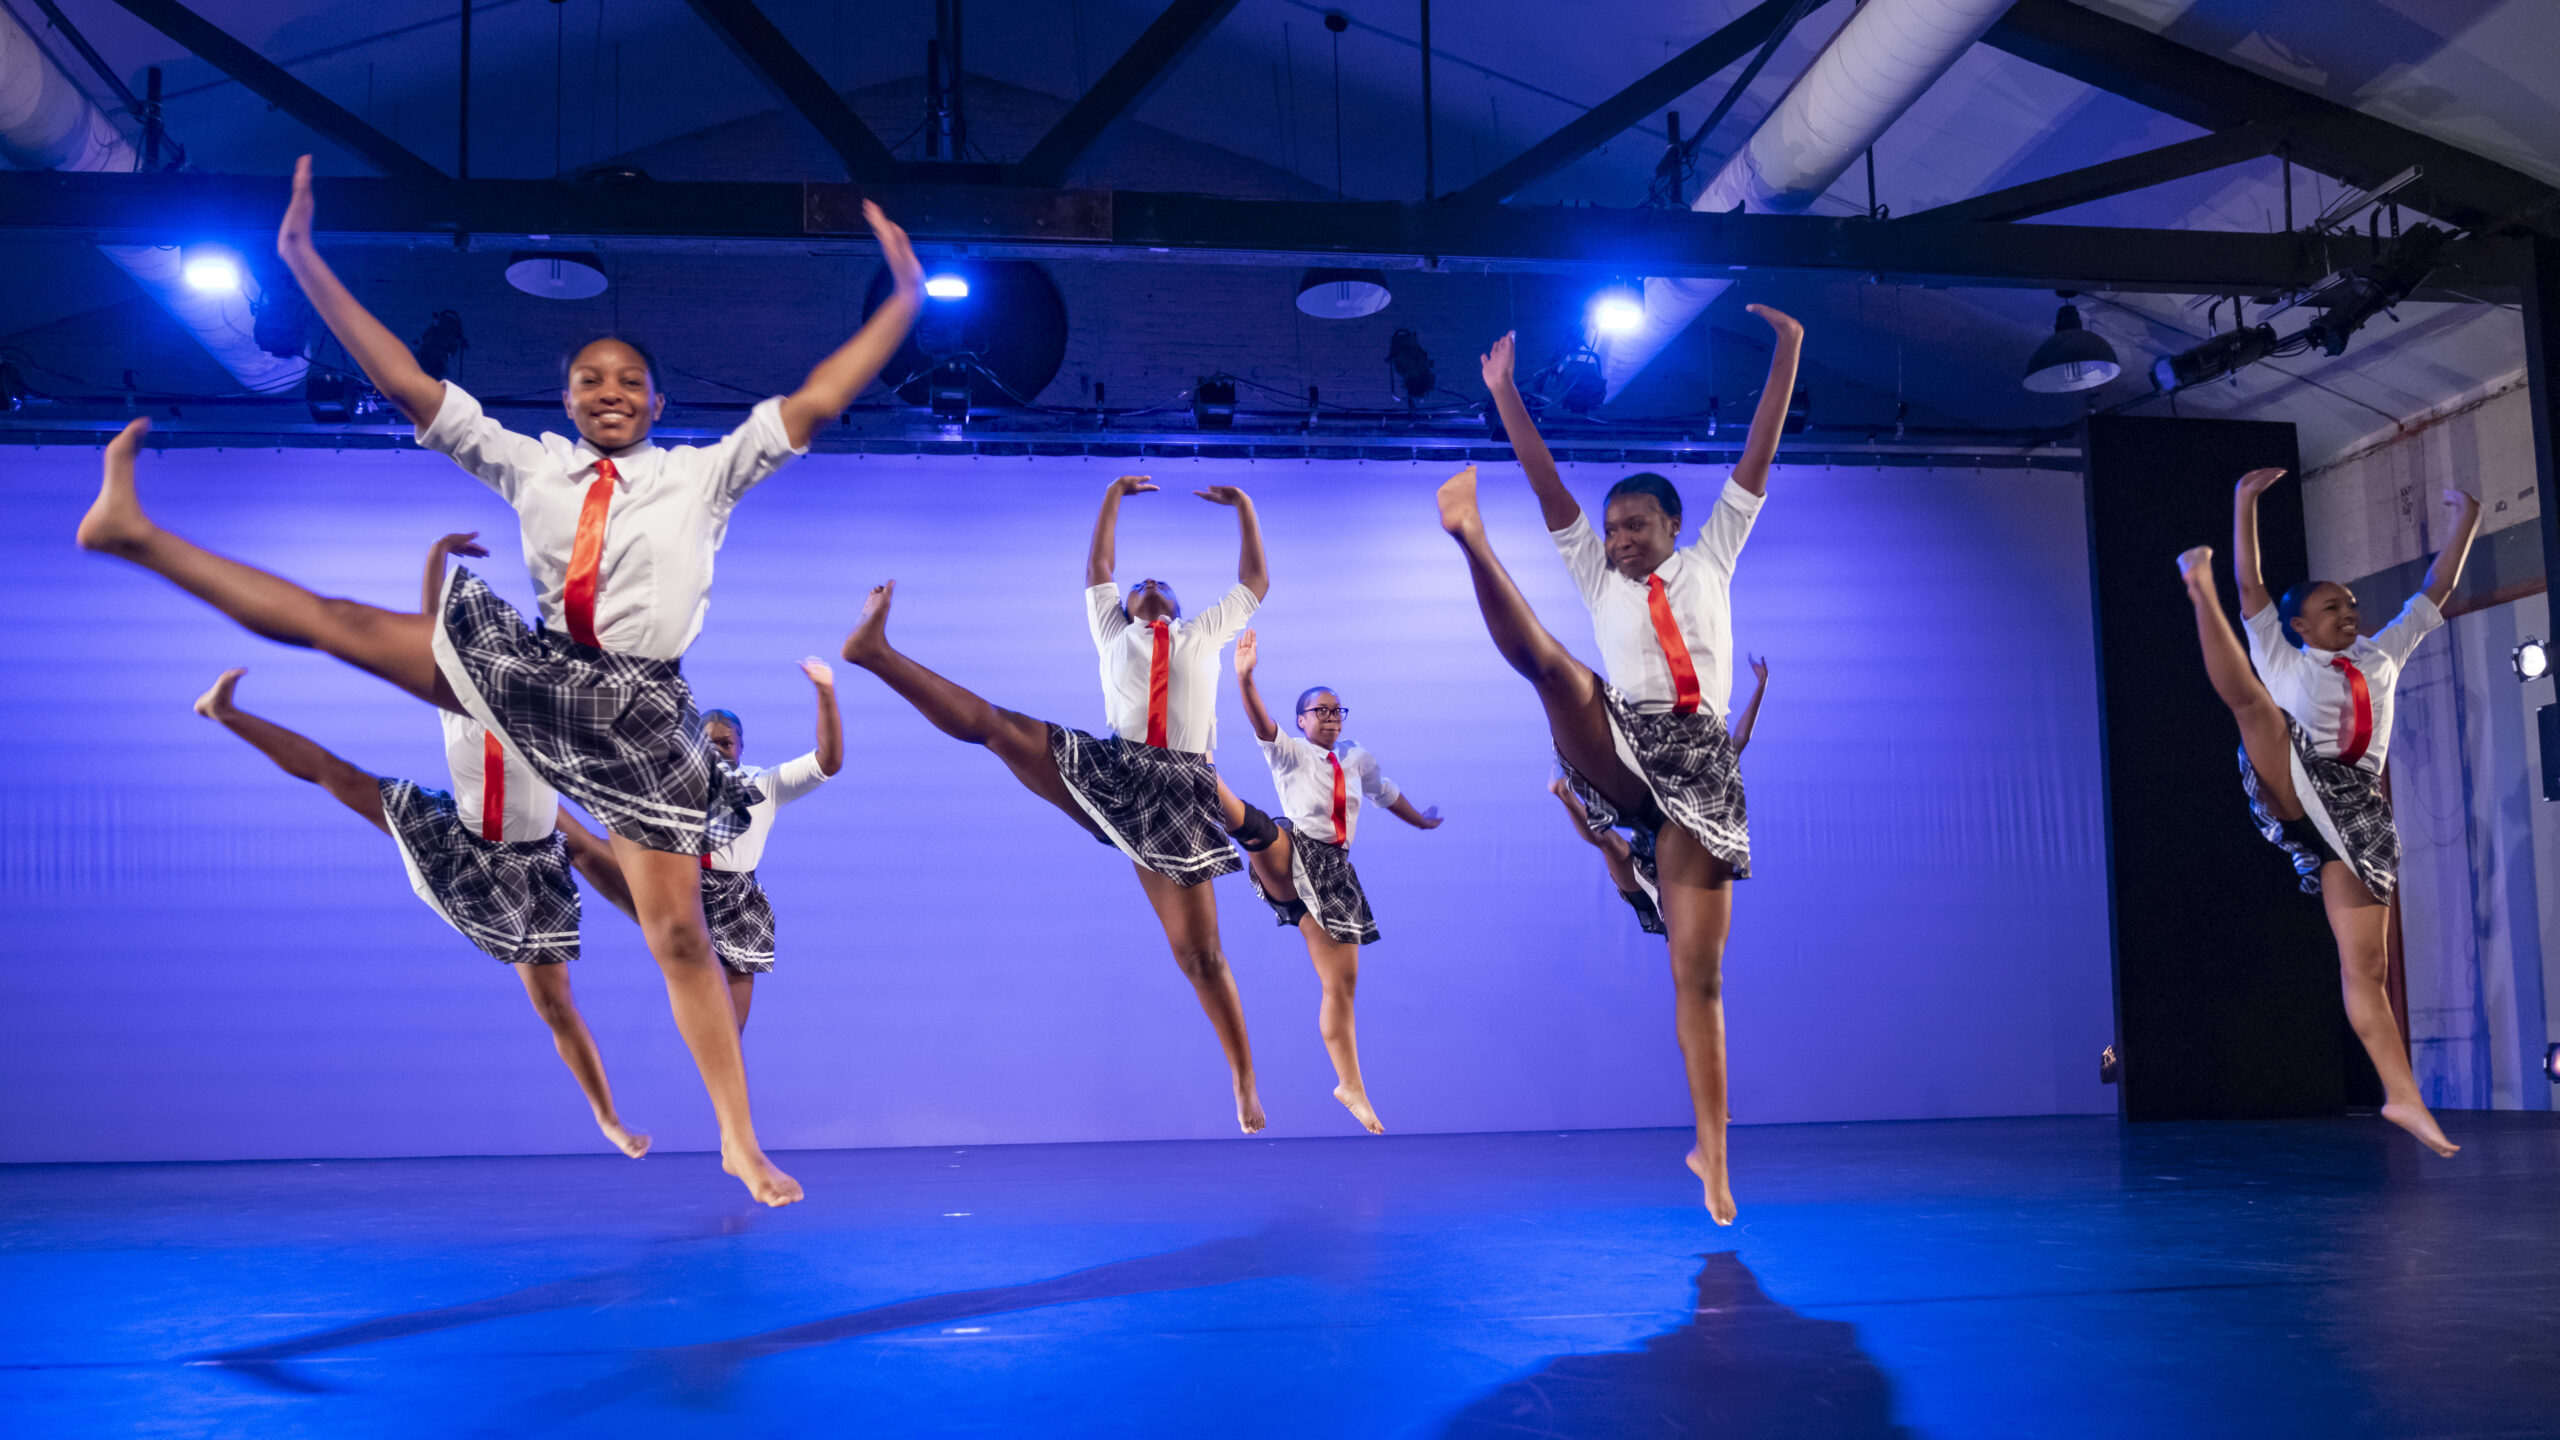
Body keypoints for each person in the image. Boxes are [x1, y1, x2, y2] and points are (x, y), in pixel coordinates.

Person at [73, 156, 923, 1206]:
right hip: (542, 676)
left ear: (658, 400)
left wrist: (904, 299)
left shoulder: (705, 473)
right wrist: (302, 259)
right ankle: (135, 534)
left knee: (676, 934)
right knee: (343, 624)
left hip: (644, 717)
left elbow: (819, 400)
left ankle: (739, 1140)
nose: (609, 392)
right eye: (590, 380)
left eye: (629, 381)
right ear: (566, 398)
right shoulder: (533, 464)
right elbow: (404, 383)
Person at [1438, 307, 1803, 1224]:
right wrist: (1505, 393)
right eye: (1613, 528)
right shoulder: (1598, 576)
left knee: (1698, 975)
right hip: (1623, 737)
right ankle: (1471, 541)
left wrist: (1789, 350)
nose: (1622, 538)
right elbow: (1546, 482)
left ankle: (1712, 1153)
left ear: (1674, 524)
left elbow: (1757, 455)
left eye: (1637, 524)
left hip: (1703, 769)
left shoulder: (1713, 558)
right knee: (1554, 671)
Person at [840, 476, 1280, 1133]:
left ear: (1179, 606)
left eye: (1161, 583)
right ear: (1123, 606)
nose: (1148, 583)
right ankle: (875, 653)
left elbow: (1255, 580)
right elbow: (1099, 565)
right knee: (997, 726)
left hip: (1179, 793)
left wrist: (1244, 506)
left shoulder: (1203, 632)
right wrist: (1112, 494)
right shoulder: (1112, 630)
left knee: (1200, 957)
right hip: (1112, 769)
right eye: (1138, 584)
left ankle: (1243, 1078)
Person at [187, 534, 649, 1156]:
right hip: (461, 843)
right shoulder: (454, 694)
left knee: (558, 1000)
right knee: (337, 775)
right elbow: (431, 625)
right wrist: (436, 554)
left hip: (532, 865)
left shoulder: (547, 718)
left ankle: (608, 1115)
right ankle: (225, 714)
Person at [2176, 467, 2480, 1157]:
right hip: (2294, 775)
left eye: (2351, 604)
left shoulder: (2381, 653)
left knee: (2365, 969)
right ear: (2299, 625)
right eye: (2332, 607)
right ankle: (2198, 588)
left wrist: (2467, 517)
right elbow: (2253, 586)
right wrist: (2244, 500)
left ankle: (2402, 1097)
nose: (2349, 613)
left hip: (2359, 818)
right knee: (2256, 709)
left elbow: (2437, 587)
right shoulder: (2285, 658)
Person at [1232, 629, 1444, 1134]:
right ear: (1301, 720)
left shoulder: (1355, 756)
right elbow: (1262, 724)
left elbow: (1385, 792)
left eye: (1336, 710)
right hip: (1294, 850)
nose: (1329, 717)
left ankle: (1351, 1085)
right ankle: (1207, 793)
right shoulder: (1290, 752)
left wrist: (1421, 821)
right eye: (1319, 711)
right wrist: (1246, 679)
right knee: (1262, 830)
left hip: (1335, 875)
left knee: (1340, 987)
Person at [1550, 655, 1767, 937]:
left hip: (1648, 885)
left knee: (1613, 845)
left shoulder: (1651, 884)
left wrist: (1565, 795)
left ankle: (1564, 792)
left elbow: (1740, 739)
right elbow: (1739, 739)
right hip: (1665, 848)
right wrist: (1761, 684)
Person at [694, 660, 845, 1029]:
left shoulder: (763, 785)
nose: (717, 751)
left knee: (729, 1030)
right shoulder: (675, 786)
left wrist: (825, 691)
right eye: (707, 744)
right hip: (687, 894)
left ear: (741, 747)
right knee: (698, 1015)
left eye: (726, 743)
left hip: (738, 904)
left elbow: (829, 761)